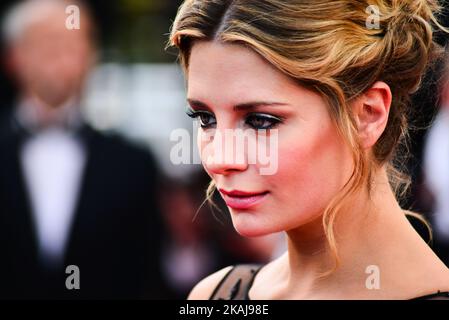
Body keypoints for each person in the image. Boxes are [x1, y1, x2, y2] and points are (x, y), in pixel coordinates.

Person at [168, 0, 449, 300]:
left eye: (261, 121)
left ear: (368, 114)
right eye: (205, 119)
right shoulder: (217, 296)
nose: (219, 159)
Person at [0, 0, 166, 299]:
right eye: (48, 42)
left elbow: (147, 273)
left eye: (76, 42)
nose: (62, 56)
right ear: (13, 56)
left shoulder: (133, 164)